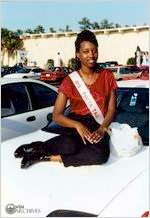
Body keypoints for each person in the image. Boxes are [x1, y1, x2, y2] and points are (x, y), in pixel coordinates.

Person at [15, 30, 118, 169]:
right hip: (75, 123)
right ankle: (37, 147)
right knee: (69, 145)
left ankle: (45, 157)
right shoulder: (69, 81)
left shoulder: (107, 76)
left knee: (100, 156)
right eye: (86, 51)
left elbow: (111, 109)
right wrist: (77, 125)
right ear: (78, 55)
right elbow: (57, 115)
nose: (91, 55)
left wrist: (102, 129)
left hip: (98, 124)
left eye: (94, 51)